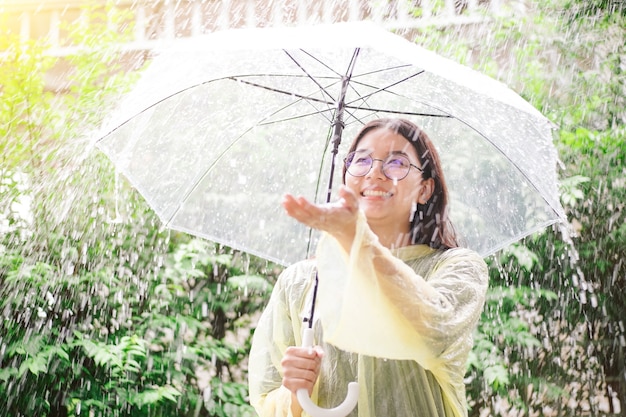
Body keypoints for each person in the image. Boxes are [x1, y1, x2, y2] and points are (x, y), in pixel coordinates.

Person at [248, 118, 488, 417]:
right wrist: (295, 391)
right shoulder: (300, 282)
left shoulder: (457, 267)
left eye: (397, 163)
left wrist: (355, 238)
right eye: (361, 160)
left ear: (425, 189)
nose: (375, 172)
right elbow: (269, 402)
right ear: (346, 176)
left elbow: (434, 332)